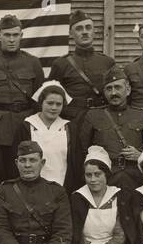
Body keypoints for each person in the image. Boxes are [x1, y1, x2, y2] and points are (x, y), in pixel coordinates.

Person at [0, 13, 45, 166]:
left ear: (21, 35)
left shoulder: (33, 63)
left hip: (25, 124)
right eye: (7, 35)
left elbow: (40, 100)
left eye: (15, 35)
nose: (11, 39)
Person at [48, 9, 116, 143]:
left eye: (88, 27)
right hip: (72, 122)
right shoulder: (61, 64)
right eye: (79, 28)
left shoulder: (107, 62)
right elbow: (49, 97)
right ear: (71, 33)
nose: (84, 32)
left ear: (94, 31)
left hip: (101, 121)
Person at [78, 65, 143, 191]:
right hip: (105, 178)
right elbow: (83, 150)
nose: (113, 93)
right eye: (109, 89)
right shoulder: (93, 115)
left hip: (136, 178)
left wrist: (141, 155)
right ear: (104, 92)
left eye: (118, 87)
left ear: (128, 90)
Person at [18, 80, 82, 192]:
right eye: (50, 103)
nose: (54, 108)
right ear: (41, 103)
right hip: (31, 189)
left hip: (62, 188)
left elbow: (76, 162)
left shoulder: (69, 128)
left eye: (58, 104)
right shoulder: (27, 126)